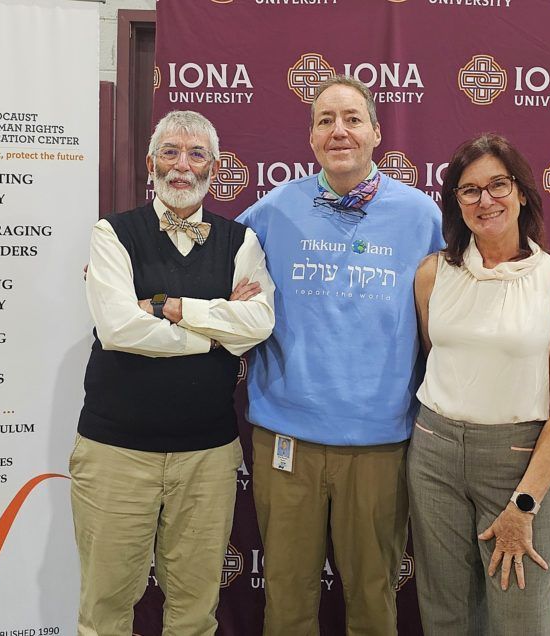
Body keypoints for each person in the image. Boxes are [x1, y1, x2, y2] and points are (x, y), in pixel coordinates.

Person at [236, 76, 444, 635]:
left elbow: (470, 294)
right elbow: (209, 269)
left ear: (376, 132)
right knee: (286, 597)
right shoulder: (273, 210)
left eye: (352, 119)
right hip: (286, 437)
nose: (339, 131)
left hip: (379, 442)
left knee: (374, 598)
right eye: (325, 120)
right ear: (310, 138)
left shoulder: (421, 216)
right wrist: (134, 280)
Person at [70, 110, 275, 636]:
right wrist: (215, 333)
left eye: (196, 154)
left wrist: (171, 307)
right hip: (115, 453)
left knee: (194, 613)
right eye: (170, 152)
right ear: (150, 163)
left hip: (207, 456)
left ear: (214, 167)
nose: (182, 165)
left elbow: (257, 323)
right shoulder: (113, 233)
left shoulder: (241, 241)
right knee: (105, 610)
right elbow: (120, 329)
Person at [407, 133, 550, 635]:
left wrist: (526, 501)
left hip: (517, 464)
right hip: (433, 456)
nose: (485, 200)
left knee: (521, 619)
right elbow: (434, 357)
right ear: (456, 202)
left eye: (498, 185)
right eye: (469, 190)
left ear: (522, 193)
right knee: (445, 614)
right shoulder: (432, 274)